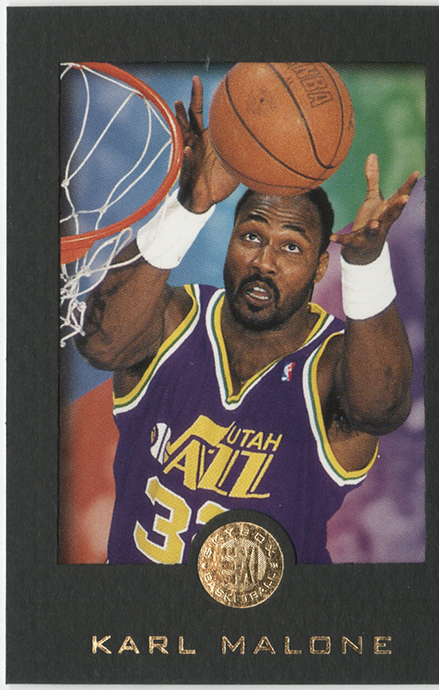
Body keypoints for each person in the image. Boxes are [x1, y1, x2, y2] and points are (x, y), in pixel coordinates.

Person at [75, 76, 419, 564]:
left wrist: (366, 265)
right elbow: (101, 344)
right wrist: (188, 207)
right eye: (252, 236)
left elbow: (379, 412)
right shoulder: (175, 319)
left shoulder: (334, 362)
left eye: (291, 247)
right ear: (230, 240)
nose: (264, 261)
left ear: (320, 266)